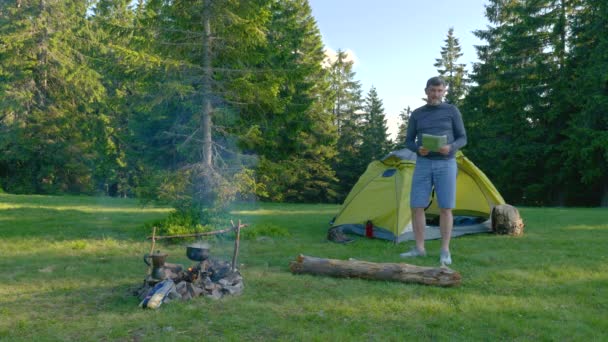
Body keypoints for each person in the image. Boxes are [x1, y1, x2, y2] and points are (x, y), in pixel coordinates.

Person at [400, 76, 467, 265]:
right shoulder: (417, 114)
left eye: (439, 90)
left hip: (446, 163)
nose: (435, 94)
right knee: (416, 206)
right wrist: (416, 149)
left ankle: (445, 251)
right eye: (432, 90)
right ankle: (419, 249)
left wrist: (451, 147)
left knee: (446, 207)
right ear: (426, 91)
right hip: (423, 163)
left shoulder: (452, 111)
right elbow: (408, 141)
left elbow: (463, 138)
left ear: (444, 91)